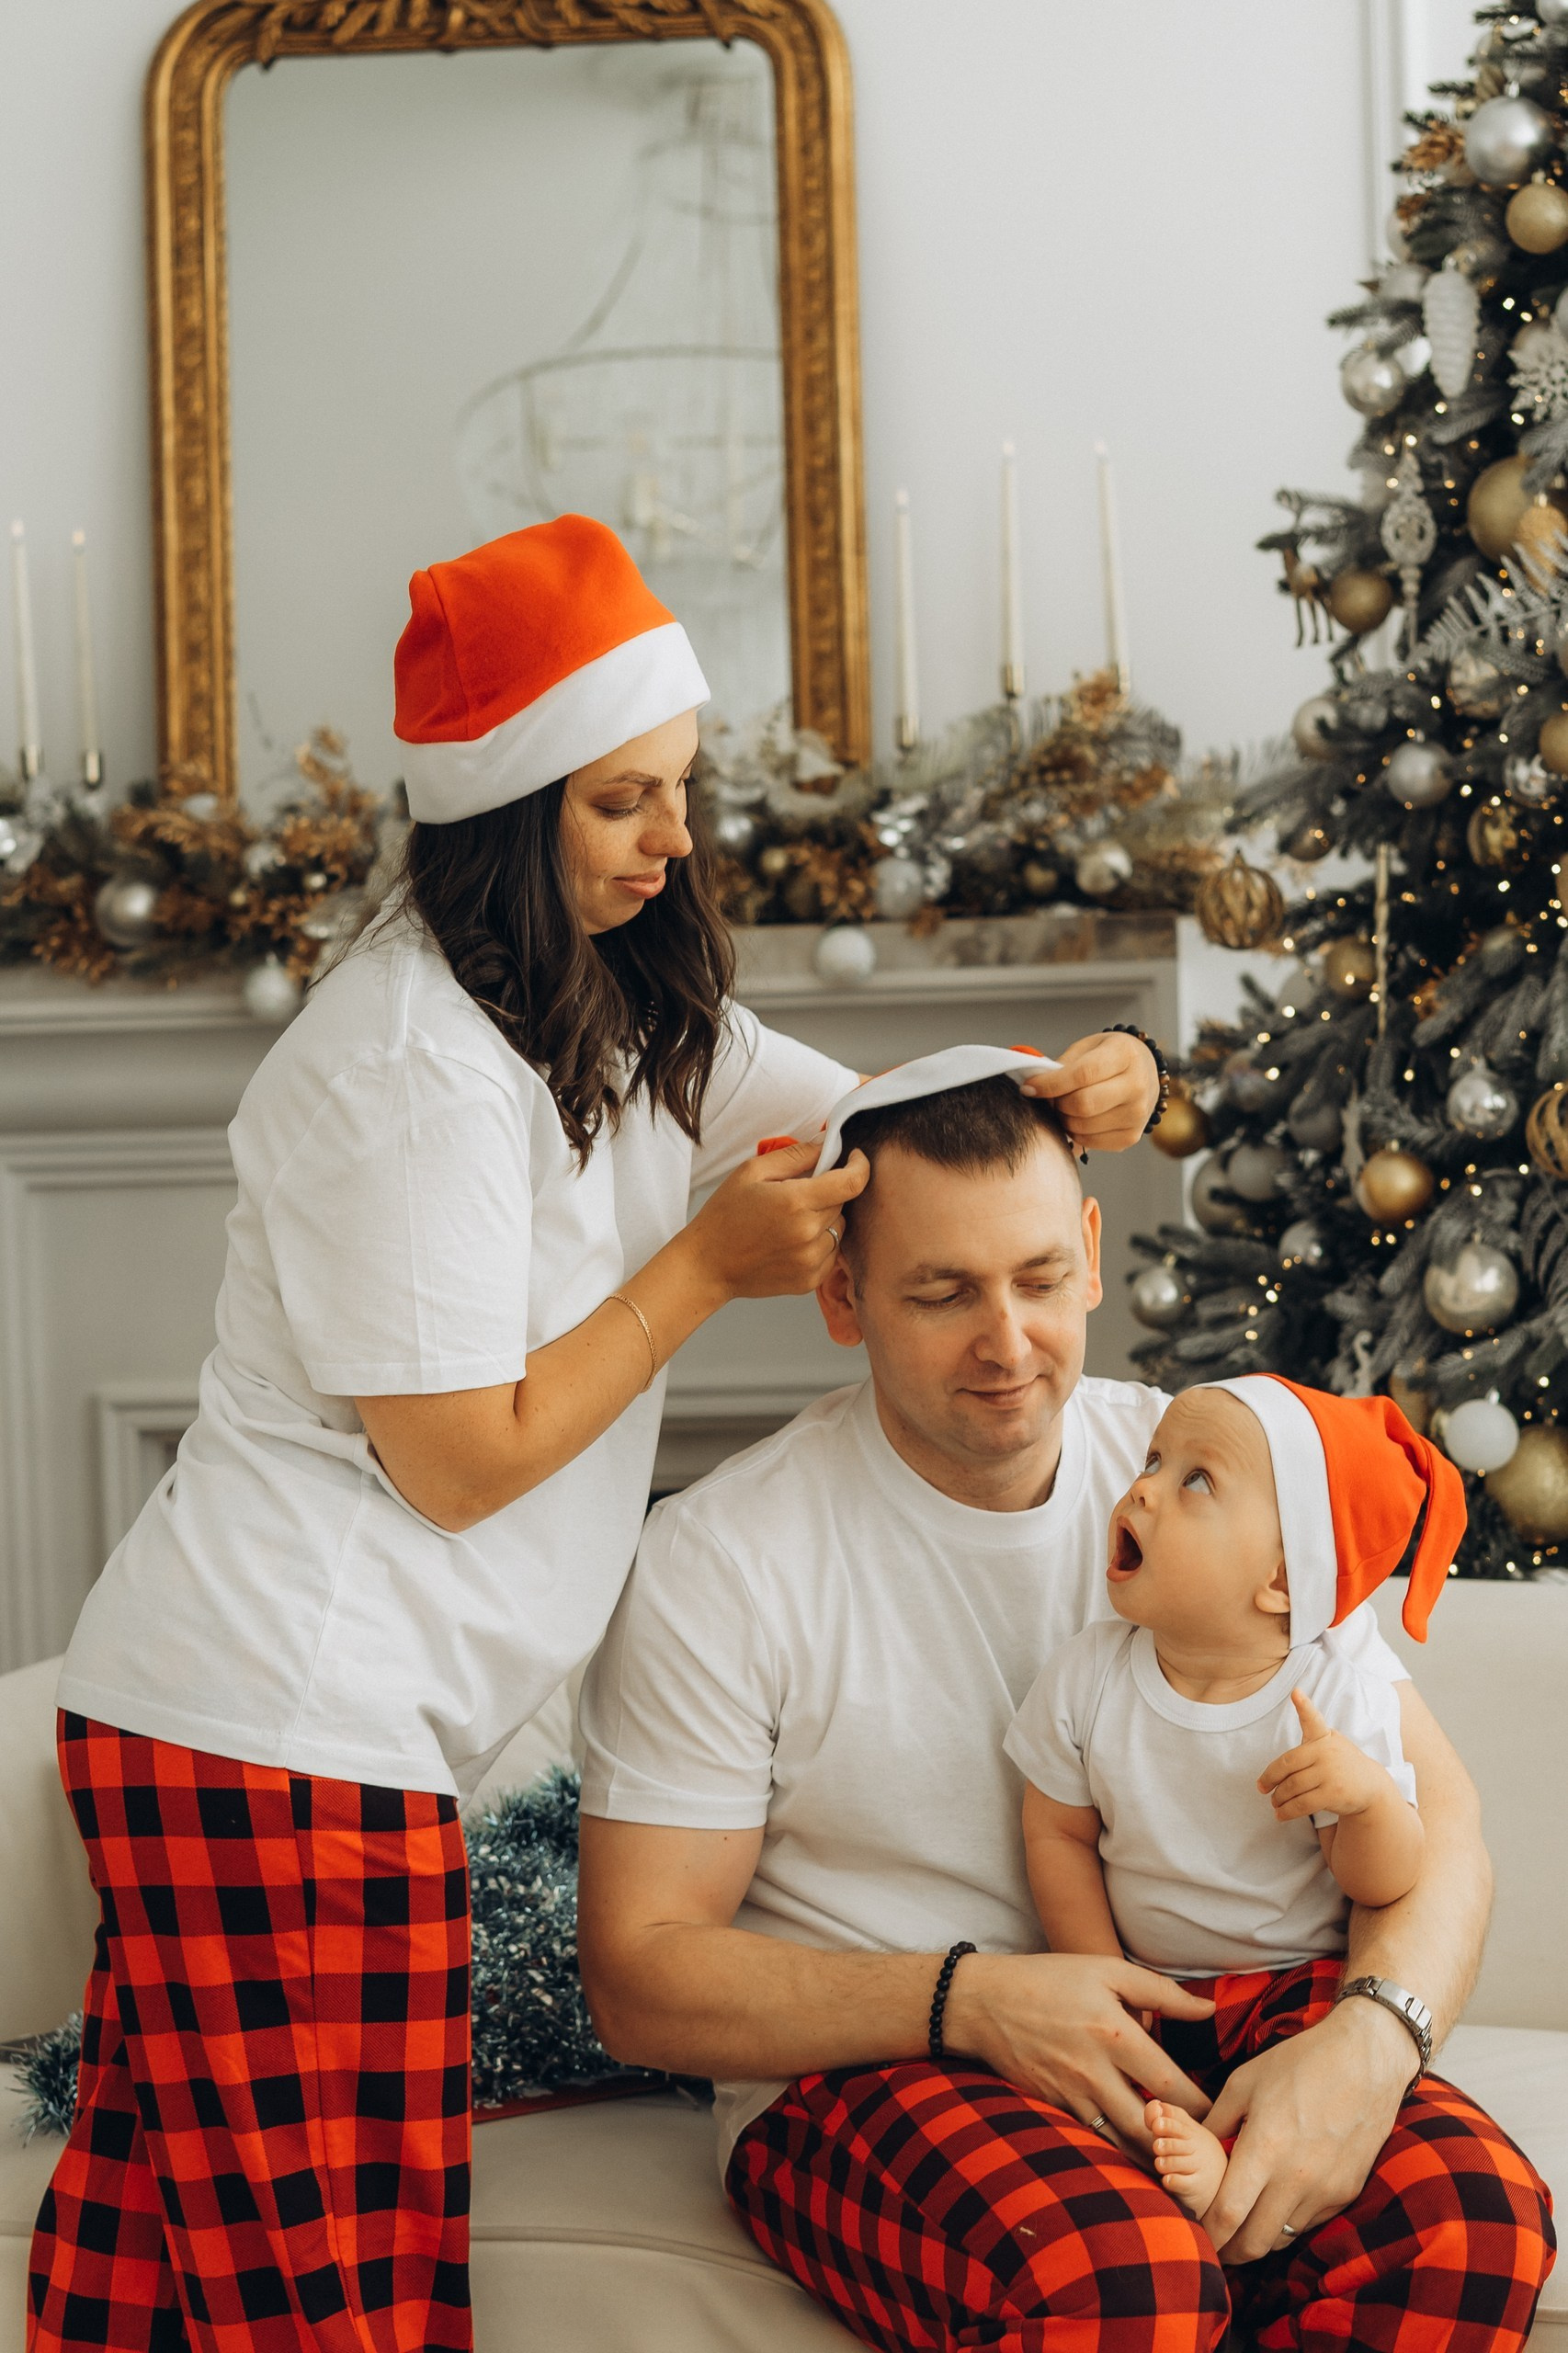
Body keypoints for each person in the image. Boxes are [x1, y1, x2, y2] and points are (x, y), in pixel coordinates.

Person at [27, 524, 1160, 2353]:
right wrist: (703, 1267)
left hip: (293, 1742)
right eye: (623, 801)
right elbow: (456, 1459)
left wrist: (1072, 1071)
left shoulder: (618, 999)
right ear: (504, 812)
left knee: (156, 2279)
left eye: (680, 788)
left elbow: (870, 1119)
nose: (673, 838)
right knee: (348, 2302)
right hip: (274, 1729)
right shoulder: (408, 1068)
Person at [576, 1052, 1555, 2353]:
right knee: (1122, 2281)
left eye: (1038, 1279)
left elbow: (1441, 1820)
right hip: (875, 2068)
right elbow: (639, 1975)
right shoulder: (721, 1560)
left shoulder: (1216, 1469)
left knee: (1469, 2225)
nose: (1006, 1342)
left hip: (1201, 2021)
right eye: (942, 1292)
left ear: (1091, 1254)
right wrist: (968, 1998)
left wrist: (1373, 2040)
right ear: (841, 1295)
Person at [1008, 1375, 1467, 2221]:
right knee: (1112, 2107)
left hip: (1300, 1989)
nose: (1143, 1487)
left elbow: (1386, 1881)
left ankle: (1228, 2168)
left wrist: (1366, 1803)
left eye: (1196, 1479)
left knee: (1443, 2182)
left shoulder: (1334, 1696)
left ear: (1281, 1581)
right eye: (1153, 1460)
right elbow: (1057, 1837)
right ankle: (1193, 2164)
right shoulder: (1087, 1675)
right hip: (1155, 1987)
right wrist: (1103, 1977)